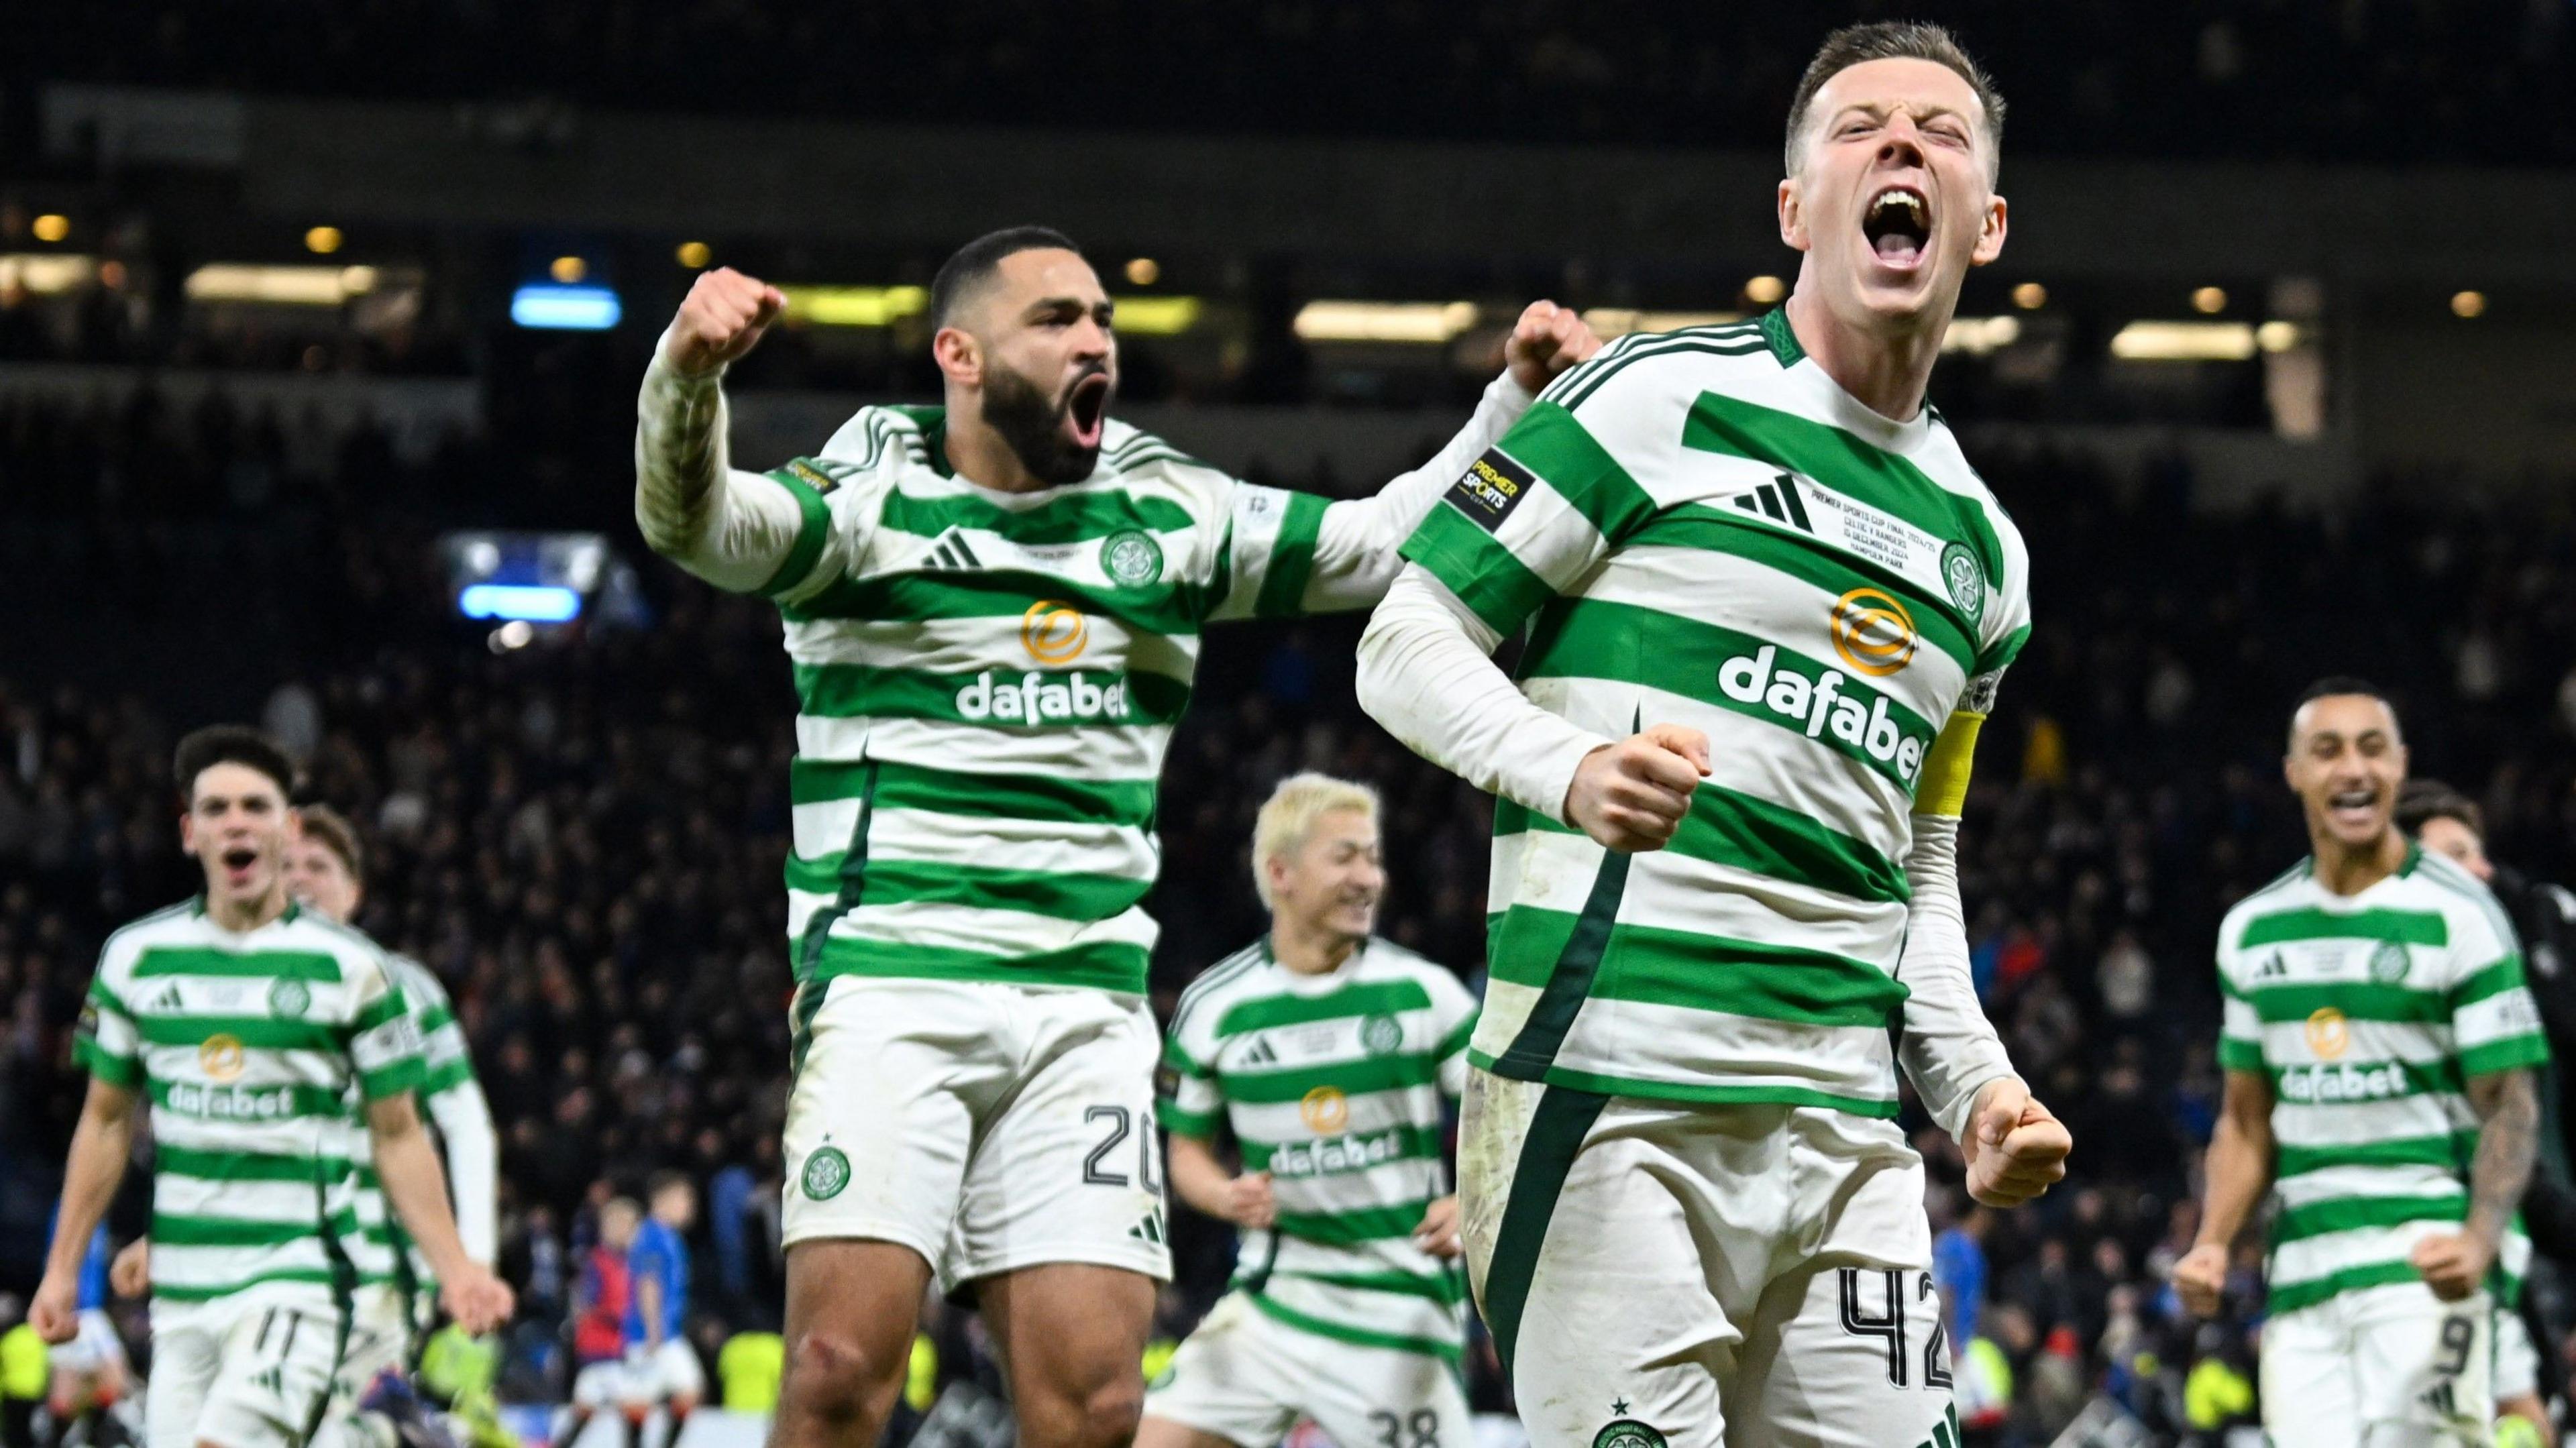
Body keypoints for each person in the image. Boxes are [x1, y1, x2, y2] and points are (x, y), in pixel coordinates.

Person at [630, 227, 1599, 1448]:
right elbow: (699, 525)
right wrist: (688, 375)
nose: (1096, 339)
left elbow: (1383, 537)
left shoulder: (1165, 508)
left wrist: (1512, 399)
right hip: (891, 987)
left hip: (1080, 1011)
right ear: (960, 352)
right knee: (832, 1368)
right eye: (1058, 319)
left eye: (1102, 318)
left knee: (1097, 1401)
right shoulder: (866, 499)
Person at [1354, 21, 2068, 1446]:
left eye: (1938, 128)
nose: (1901, 144)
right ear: (1796, 209)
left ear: (1986, 224)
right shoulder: (1648, 397)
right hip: (1608, 1093)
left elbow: (1915, 872)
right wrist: (1564, 765)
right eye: (1859, 125)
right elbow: (1402, 636)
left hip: (1847, 1134)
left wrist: (1975, 1079)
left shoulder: (1986, 555)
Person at [31, 726, 513, 1448]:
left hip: (314, 1278)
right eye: (217, 808)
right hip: (188, 1293)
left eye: (255, 806)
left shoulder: (366, 974)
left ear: (285, 831)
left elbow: (412, 1130)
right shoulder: (137, 959)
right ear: (190, 832)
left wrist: (461, 1262)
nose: (237, 823)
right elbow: (106, 1122)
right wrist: (68, 1266)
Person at [2173, 680, 2547, 1444]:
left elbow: (2510, 1103)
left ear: (2401, 767)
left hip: (2423, 1259)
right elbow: (2246, 1120)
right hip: (2303, 1275)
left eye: (2373, 748)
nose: (2354, 768)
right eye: (2329, 749)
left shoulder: (2461, 916)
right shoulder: (2253, 933)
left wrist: (2478, 1240)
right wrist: (2215, 1239)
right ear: (2294, 772)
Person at [1140, 774, 1479, 1448]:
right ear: (1280, 871)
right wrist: (1224, 1193)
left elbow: (1506, 1121)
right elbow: (1187, 1151)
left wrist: (1473, 1198)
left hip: (1399, 1308)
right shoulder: (1217, 1007)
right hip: (1273, 1301)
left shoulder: (1423, 995)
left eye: (1374, 857)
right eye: (1346, 856)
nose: (1369, 878)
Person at [2396, 779, 2576, 1437]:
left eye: (2479, 851)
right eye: (2458, 854)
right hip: (2429, 1262)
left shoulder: (2525, 942)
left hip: (2521, 1251)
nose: (2484, 869)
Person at [615, 1176, 703, 1448]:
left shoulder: (668, 1236)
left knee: (684, 1389)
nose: (689, 1208)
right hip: (651, 1335)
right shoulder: (652, 1235)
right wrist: (653, 1329)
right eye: (684, 1200)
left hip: (667, 1333)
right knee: (643, 1399)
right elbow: (648, 1283)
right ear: (663, 1199)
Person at [42, 1219, 129, 1448]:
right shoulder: (66, 1213)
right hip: (72, 1312)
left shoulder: (99, 1220)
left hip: (90, 1313)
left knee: (116, 1385)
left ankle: (94, 1433)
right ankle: (63, 1437)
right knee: (63, 1401)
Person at [562, 1198, 643, 1447]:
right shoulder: (597, 1264)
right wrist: (618, 1317)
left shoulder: (627, 1263)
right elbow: (585, 1305)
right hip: (598, 1349)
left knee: (593, 1410)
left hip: (617, 1349)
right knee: (632, 1409)